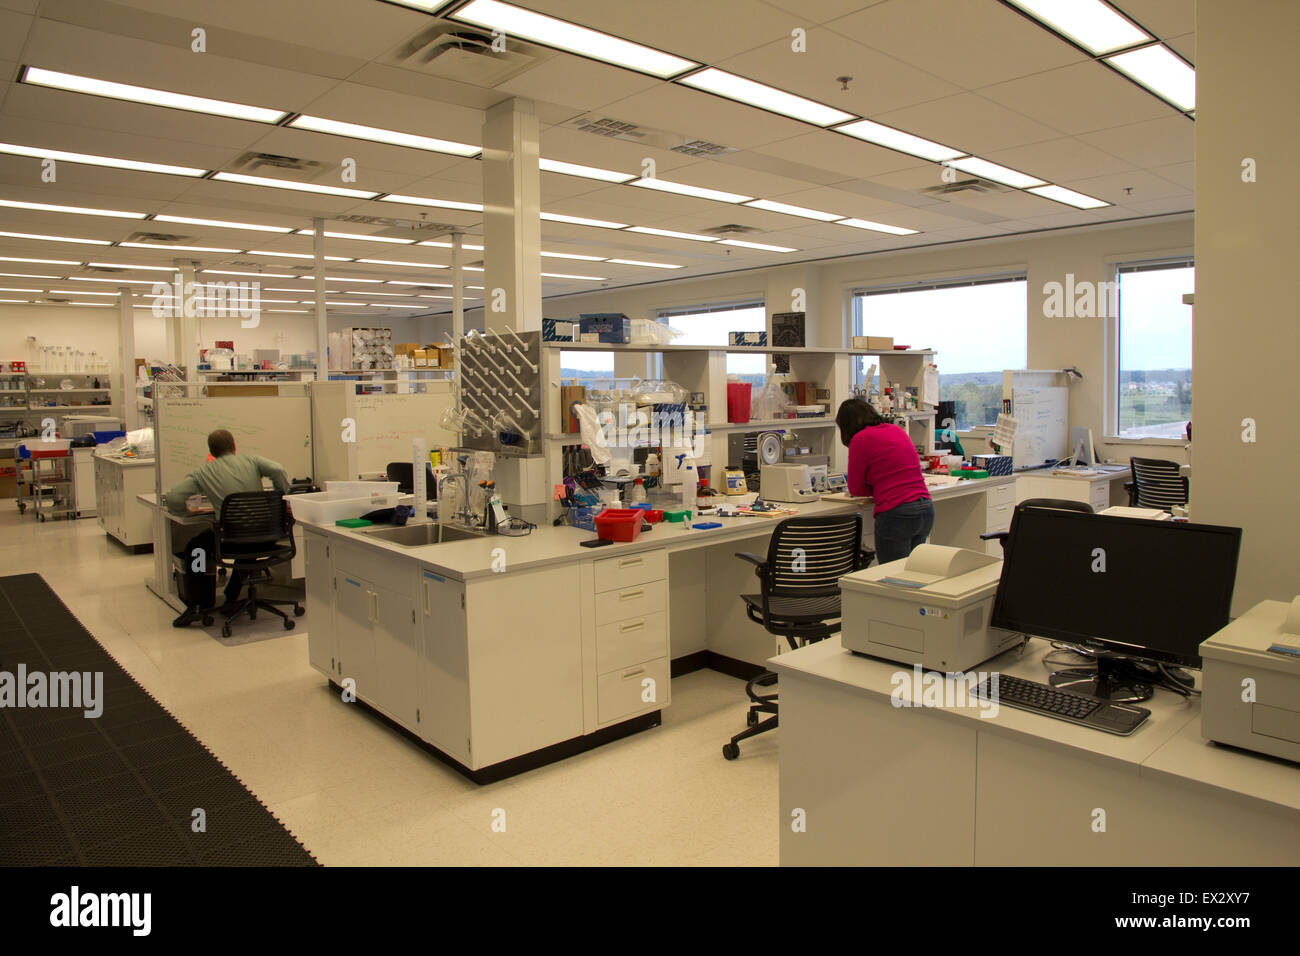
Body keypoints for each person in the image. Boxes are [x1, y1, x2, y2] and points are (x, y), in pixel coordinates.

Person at [164, 429, 290, 625]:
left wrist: (184, 512)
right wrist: (283, 496)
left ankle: (198, 604)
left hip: (232, 541)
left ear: (211, 452)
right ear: (234, 446)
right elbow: (279, 470)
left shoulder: (203, 472)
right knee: (248, 543)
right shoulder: (253, 461)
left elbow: (173, 498)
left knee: (196, 548)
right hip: (267, 536)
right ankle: (231, 595)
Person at [836, 398, 935, 565]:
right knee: (913, 572)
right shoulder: (895, 430)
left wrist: (877, 488)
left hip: (898, 512)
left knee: (893, 576)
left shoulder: (860, 439)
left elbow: (855, 488)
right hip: (925, 508)